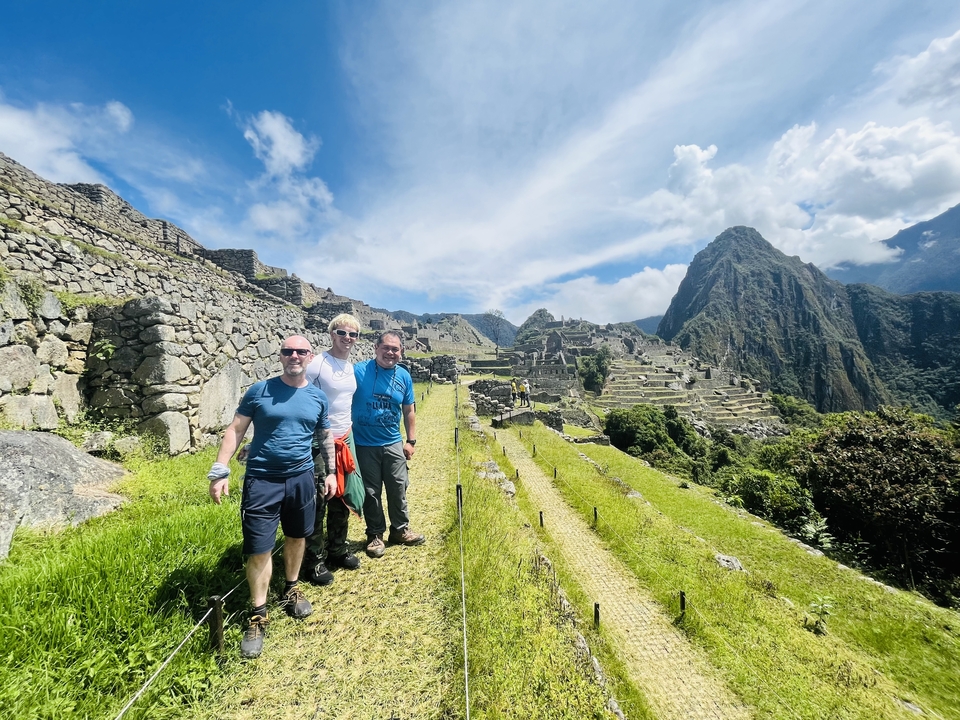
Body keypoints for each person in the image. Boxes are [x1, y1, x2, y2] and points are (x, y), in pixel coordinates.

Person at [207, 335, 336, 659]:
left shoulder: (317, 398)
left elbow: (324, 436)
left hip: (302, 478)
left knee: (296, 537)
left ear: (309, 357)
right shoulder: (259, 391)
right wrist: (220, 469)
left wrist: (331, 472)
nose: (294, 356)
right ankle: (258, 612)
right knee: (258, 549)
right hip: (262, 480)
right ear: (280, 356)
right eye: (288, 351)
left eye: (301, 351)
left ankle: (291, 587)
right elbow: (236, 429)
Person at [301, 314, 364, 585]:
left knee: (342, 497)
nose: (347, 338)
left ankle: (337, 548)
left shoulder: (350, 368)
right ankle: (314, 560)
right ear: (331, 334)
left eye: (353, 335)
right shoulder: (317, 364)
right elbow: (300, 394)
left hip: (345, 439)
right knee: (318, 500)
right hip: (319, 441)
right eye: (342, 333)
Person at [352, 330, 424, 558]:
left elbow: (409, 410)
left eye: (395, 349)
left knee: (398, 486)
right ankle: (375, 534)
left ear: (401, 352)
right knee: (370, 491)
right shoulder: (358, 371)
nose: (390, 353)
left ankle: (400, 530)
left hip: (392, 441)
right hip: (363, 443)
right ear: (376, 348)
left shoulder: (403, 376)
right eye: (386, 348)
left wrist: (411, 441)